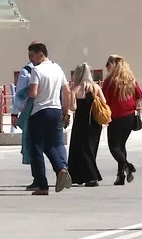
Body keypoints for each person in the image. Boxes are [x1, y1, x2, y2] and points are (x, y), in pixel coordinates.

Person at [25, 42, 73, 196]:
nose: (31, 59)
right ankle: (61, 169)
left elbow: (33, 93)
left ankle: (43, 184)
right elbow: (66, 91)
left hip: (40, 111)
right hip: (56, 110)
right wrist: (65, 112)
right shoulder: (57, 68)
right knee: (50, 144)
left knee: (37, 147)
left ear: (41, 54)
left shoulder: (36, 70)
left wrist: (25, 99)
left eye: (32, 55)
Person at [101, 55, 142, 186]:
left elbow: (104, 99)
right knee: (121, 146)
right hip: (129, 116)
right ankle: (120, 176)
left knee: (114, 147)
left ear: (114, 65)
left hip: (116, 117)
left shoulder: (109, 81)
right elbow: (139, 95)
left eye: (108, 64)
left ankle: (127, 166)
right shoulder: (131, 80)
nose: (106, 66)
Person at [67, 63, 104, 186]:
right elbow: (104, 102)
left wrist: (72, 95)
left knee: (79, 150)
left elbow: (73, 108)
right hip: (95, 123)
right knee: (91, 150)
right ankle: (87, 176)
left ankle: (90, 177)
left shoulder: (75, 89)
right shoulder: (96, 87)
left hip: (81, 123)